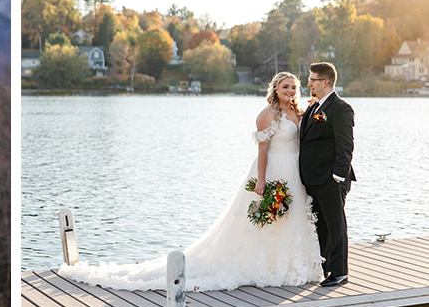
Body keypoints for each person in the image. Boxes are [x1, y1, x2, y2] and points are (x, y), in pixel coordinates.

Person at [58, 72, 320, 291]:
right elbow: (262, 150)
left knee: (291, 216)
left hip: (294, 172)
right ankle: (264, 266)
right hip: (273, 168)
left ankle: (288, 266)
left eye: (294, 87)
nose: (290, 90)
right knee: (266, 218)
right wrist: (262, 181)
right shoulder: (268, 114)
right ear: (275, 89)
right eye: (286, 86)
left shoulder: (300, 111)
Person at [300, 61, 357, 287]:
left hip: (330, 178)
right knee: (321, 226)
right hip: (313, 178)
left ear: (325, 82)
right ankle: (326, 269)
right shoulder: (315, 106)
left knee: (336, 226)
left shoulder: (340, 108)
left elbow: (345, 145)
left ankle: (340, 272)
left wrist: (338, 176)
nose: (308, 83)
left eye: (312, 79)